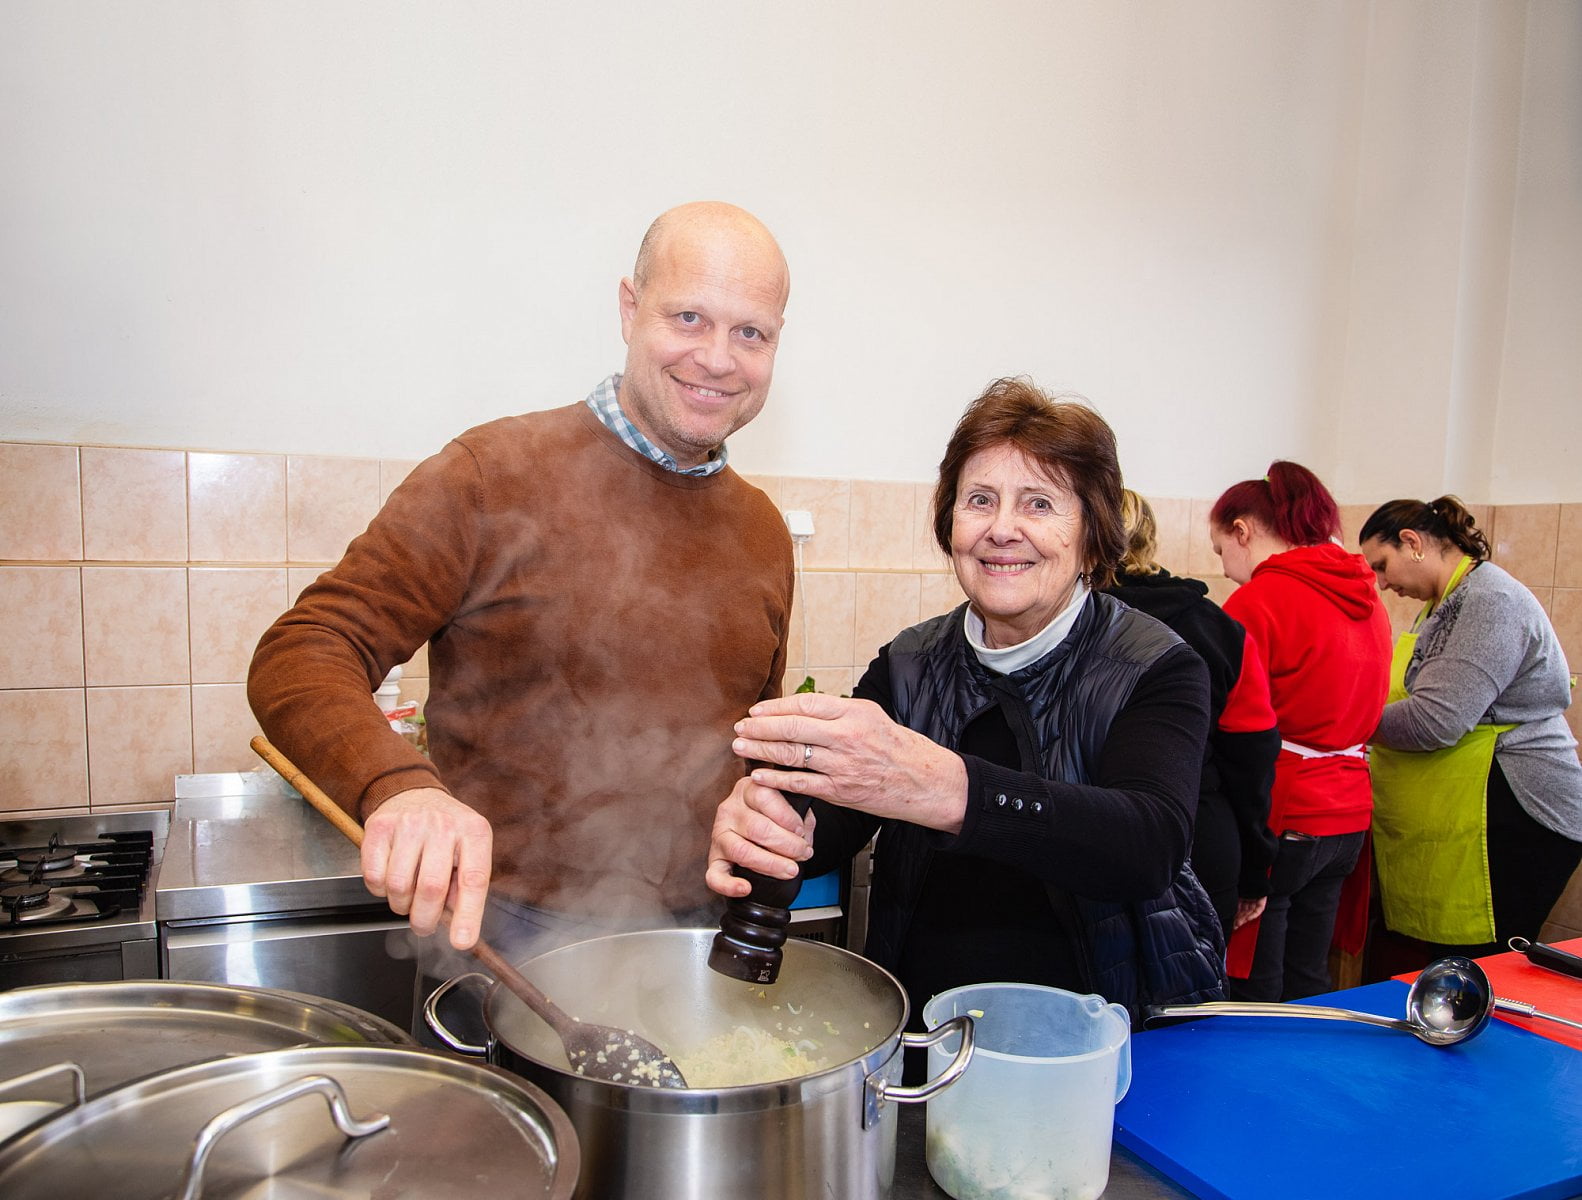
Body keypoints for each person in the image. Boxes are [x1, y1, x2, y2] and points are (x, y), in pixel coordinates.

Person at [248, 201, 796, 966]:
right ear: (630, 309)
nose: (717, 358)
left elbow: (747, 741)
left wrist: (765, 802)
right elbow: (304, 649)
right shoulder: (489, 474)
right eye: (689, 318)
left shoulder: (764, 531)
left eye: (751, 333)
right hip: (504, 943)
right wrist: (399, 787)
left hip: (695, 944)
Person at [708, 378, 1226, 1034]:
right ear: (951, 524)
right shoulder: (911, 662)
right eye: (979, 500)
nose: (1002, 529)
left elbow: (1146, 844)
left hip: (1091, 1039)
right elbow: (833, 822)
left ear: (1092, 537)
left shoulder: (1154, 663)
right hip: (925, 1027)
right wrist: (776, 822)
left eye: (1038, 503)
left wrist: (951, 790)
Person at [1360, 496, 1582, 957]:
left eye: (1382, 565)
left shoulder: (1489, 600)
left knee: (1488, 964)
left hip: (1522, 807)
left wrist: (1345, 722)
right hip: (1476, 806)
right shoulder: (1444, 601)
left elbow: (1434, 721)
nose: (1381, 584)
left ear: (1412, 542)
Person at [1208, 461, 1392, 1001]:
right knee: (1311, 981)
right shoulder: (1365, 595)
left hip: (1287, 816)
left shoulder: (1258, 602)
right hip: (1350, 812)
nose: (1226, 571)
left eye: (1222, 551)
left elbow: (1234, 727)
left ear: (1242, 530)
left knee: (1256, 986)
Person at [1105, 489, 1281, 940]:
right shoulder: (1218, 628)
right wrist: (1255, 867)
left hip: (1090, 836)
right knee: (1196, 1003)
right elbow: (1252, 756)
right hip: (1201, 840)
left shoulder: (1056, 620)